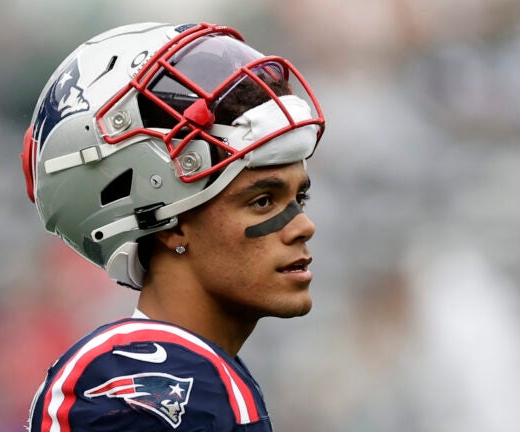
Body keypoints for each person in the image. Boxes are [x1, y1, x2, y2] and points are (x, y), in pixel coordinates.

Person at [20, 22, 325, 431]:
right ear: (168, 223)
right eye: (262, 201)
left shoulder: (203, 374)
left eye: (298, 199)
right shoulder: (147, 382)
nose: (301, 226)